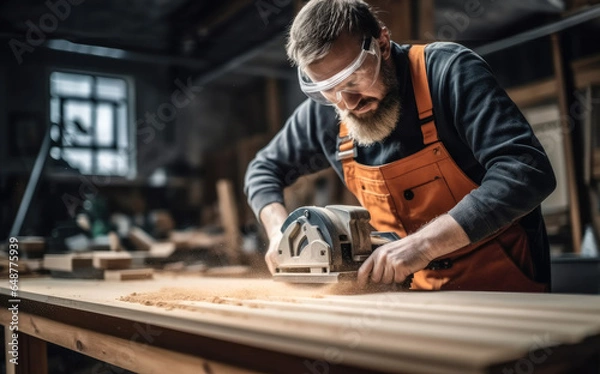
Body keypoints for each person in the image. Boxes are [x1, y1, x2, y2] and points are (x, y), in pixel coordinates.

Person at [244, 0, 556, 291]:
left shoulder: (448, 73)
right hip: (410, 297)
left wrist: (424, 245)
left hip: (503, 288)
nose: (347, 103)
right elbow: (263, 169)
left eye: (353, 80)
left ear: (381, 43)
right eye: (328, 89)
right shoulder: (326, 114)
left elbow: (526, 171)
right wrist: (280, 234)